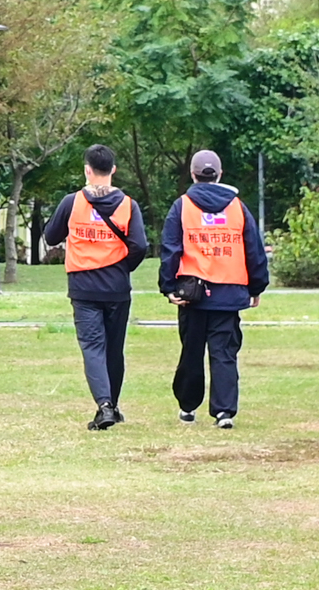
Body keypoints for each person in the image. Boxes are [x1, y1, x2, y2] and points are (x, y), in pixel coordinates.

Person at [160, 149, 273, 428]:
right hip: (229, 294)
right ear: (220, 175)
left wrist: (168, 286)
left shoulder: (183, 206)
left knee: (192, 351)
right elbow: (254, 250)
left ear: (193, 174)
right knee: (224, 353)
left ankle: (188, 406)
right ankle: (224, 412)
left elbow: (171, 249)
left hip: (193, 294)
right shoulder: (237, 207)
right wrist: (256, 286)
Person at [44, 146, 152, 431]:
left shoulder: (72, 202)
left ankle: (105, 406)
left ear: (87, 170)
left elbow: (51, 235)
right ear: (113, 170)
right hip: (116, 287)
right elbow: (140, 246)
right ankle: (112, 405)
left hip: (83, 287)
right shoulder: (129, 205)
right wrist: (122, 267)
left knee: (93, 347)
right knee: (114, 350)